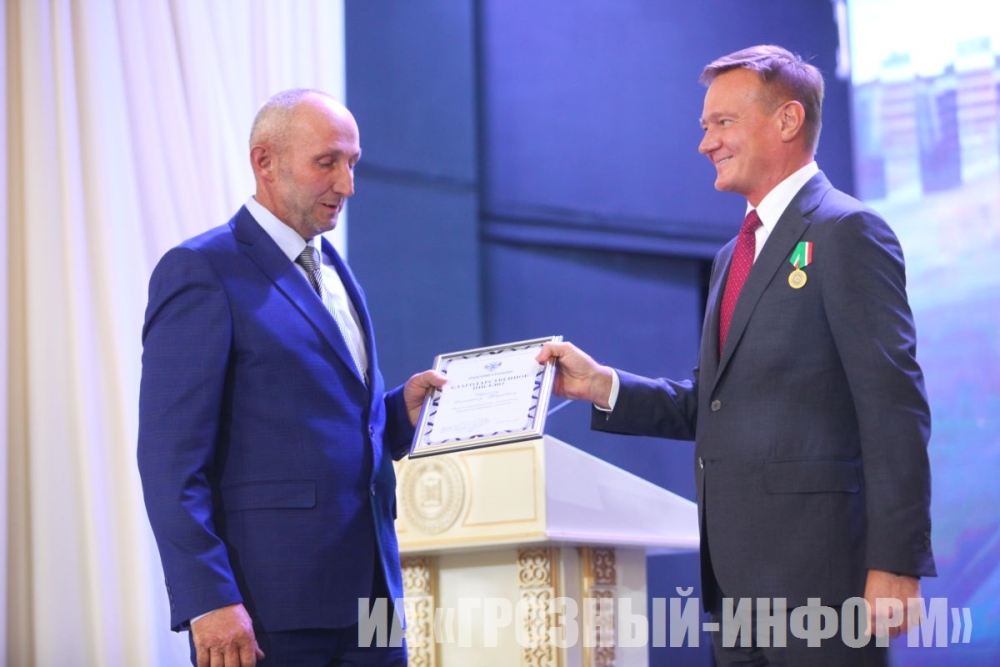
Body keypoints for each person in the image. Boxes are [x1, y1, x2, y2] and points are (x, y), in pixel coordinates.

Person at [538, 45, 935, 665]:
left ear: (788, 120)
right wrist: (602, 385)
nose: (706, 143)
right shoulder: (733, 255)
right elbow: (717, 403)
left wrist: (896, 563)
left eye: (723, 122)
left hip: (823, 581)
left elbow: (895, 408)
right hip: (735, 590)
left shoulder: (847, 232)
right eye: (705, 126)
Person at [138, 88, 445, 666]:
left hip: (376, 601)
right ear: (265, 162)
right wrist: (208, 600)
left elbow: (325, 421)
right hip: (269, 609)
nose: (347, 185)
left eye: (352, 163)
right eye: (327, 162)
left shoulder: (337, 270)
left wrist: (396, 413)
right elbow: (168, 458)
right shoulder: (202, 270)